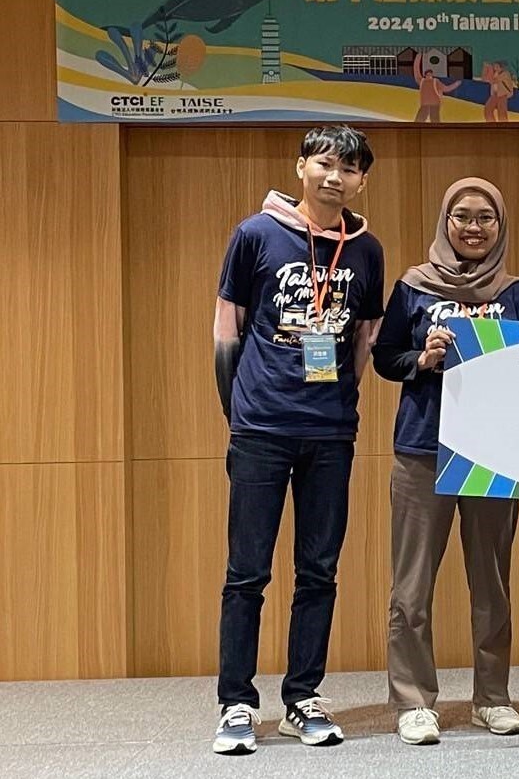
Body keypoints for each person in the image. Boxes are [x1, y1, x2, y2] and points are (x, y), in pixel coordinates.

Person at [211, 125, 385, 755]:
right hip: (260, 429)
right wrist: (239, 411)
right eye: (324, 163)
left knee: (319, 570)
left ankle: (302, 698)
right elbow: (227, 329)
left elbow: (364, 338)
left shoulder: (367, 251)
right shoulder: (255, 235)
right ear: (301, 167)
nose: (334, 176)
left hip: (331, 432)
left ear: (362, 180)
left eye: (348, 167)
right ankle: (235, 703)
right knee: (246, 572)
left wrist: (339, 400)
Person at [373, 177, 519, 745]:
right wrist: (422, 358)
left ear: (500, 226)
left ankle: (492, 698)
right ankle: (414, 702)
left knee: (491, 583)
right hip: (422, 449)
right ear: (445, 222)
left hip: (493, 455)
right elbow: (384, 357)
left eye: (485, 218)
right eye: (462, 217)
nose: (473, 227)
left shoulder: (515, 291)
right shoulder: (413, 287)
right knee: (411, 587)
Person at [414, 53, 461, 123]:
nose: (429, 76)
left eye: (430, 74)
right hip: (426, 104)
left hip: (433, 104)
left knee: (434, 121)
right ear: (425, 75)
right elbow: (416, 70)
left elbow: (446, 88)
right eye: (428, 75)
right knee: (420, 121)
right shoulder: (422, 81)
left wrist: (456, 84)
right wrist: (418, 58)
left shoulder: (435, 81)